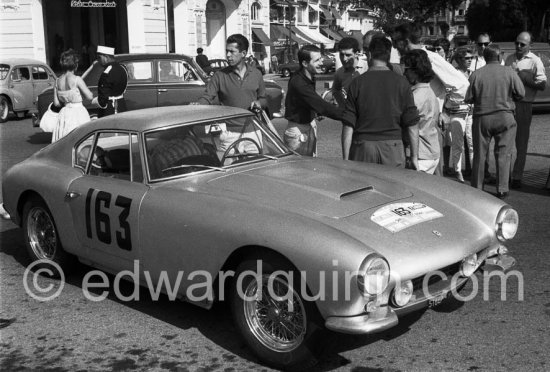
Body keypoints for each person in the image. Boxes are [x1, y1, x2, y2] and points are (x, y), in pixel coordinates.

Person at [393, 22, 469, 175]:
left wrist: (446, 111)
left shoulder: (429, 58)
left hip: (429, 127)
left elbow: (462, 85)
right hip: (416, 126)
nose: (395, 48)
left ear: (405, 41)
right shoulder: (410, 60)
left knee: (434, 181)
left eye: (396, 43)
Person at [342, 37, 419, 168]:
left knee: (364, 187)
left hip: (363, 146)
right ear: (388, 56)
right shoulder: (402, 83)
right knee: (391, 189)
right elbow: (412, 124)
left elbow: (348, 124)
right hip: (393, 147)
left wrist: (345, 159)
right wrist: (414, 157)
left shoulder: (357, 83)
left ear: (370, 54)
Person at [196, 34, 278, 150]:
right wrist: (198, 105)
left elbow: (263, 98)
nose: (228, 55)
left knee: (255, 167)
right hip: (229, 134)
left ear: (243, 53)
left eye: (232, 52)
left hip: (253, 132)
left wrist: (259, 103)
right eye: (227, 51)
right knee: (229, 167)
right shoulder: (219, 76)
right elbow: (207, 96)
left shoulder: (256, 74)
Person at [465, 44, 525, 198]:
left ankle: (477, 188)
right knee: (504, 154)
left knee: (479, 154)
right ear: (499, 57)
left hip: (482, 118)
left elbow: (469, 98)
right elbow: (521, 93)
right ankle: (502, 188)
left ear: (485, 58)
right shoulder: (509, 72)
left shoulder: (476, 74)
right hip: (505, 117)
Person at [284, 44, 343, 156]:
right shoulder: (299, 82)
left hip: (308, 126)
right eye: (316, 60)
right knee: (300, 170)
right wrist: (347, 115)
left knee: (310, 167)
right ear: (305, 63)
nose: (321, 62)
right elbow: (320, 105)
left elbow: (307, 102)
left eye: (321, 59)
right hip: (298, 131)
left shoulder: (309, 77)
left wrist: (314, 111)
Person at [505, 31, 547, 189]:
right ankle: (505, 175)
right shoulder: (509, 59)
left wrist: (526, 78)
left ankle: (517, 177)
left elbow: (542, 85)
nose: (519, 46)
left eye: (523, 44)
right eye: (517, 43)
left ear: (530, 45)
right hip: (508, 104)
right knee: (505, 142)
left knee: (521, 144)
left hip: (524, 104)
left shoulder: (535, 61)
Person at [402, 49, 440, 174]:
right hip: (432, 152)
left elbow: (411, 127)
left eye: (407, 69)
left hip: (419, 155)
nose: (404, 73)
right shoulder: (431, 92)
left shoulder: (415, 97)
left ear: (415, 71)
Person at [51, 49, 93, 142]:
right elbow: (89, 96)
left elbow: (57, 103)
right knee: (82, 141)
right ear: (75, 64)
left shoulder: (57, 81)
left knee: (64, 142)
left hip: (64, 113)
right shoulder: (77, 79)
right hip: (78, 113)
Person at [447, 46, 475, 182]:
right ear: (459, 60)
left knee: (472, 143)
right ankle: (458, 171)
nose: (469, 60)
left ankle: (475, 171)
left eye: (471, 58)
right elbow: (446, 94)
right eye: (466, 58)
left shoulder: (472, 73)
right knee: (457, 144)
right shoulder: (453, 75)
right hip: (457, 112)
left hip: (471, 113)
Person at [91, 45, 128, 118]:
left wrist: (93, 102)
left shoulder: (107, 73)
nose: (98, 60)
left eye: (99, 57)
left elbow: (102, 102)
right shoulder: (123, 68)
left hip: (110, 109)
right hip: (122, 105)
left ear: (106, 57)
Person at [332, 37, 368, 109]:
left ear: (356, 54)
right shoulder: (339, 73)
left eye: (348, 55)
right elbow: (335, 90)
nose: (344, 59)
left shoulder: (367, 68)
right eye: (341, 55)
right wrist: (343, 106)